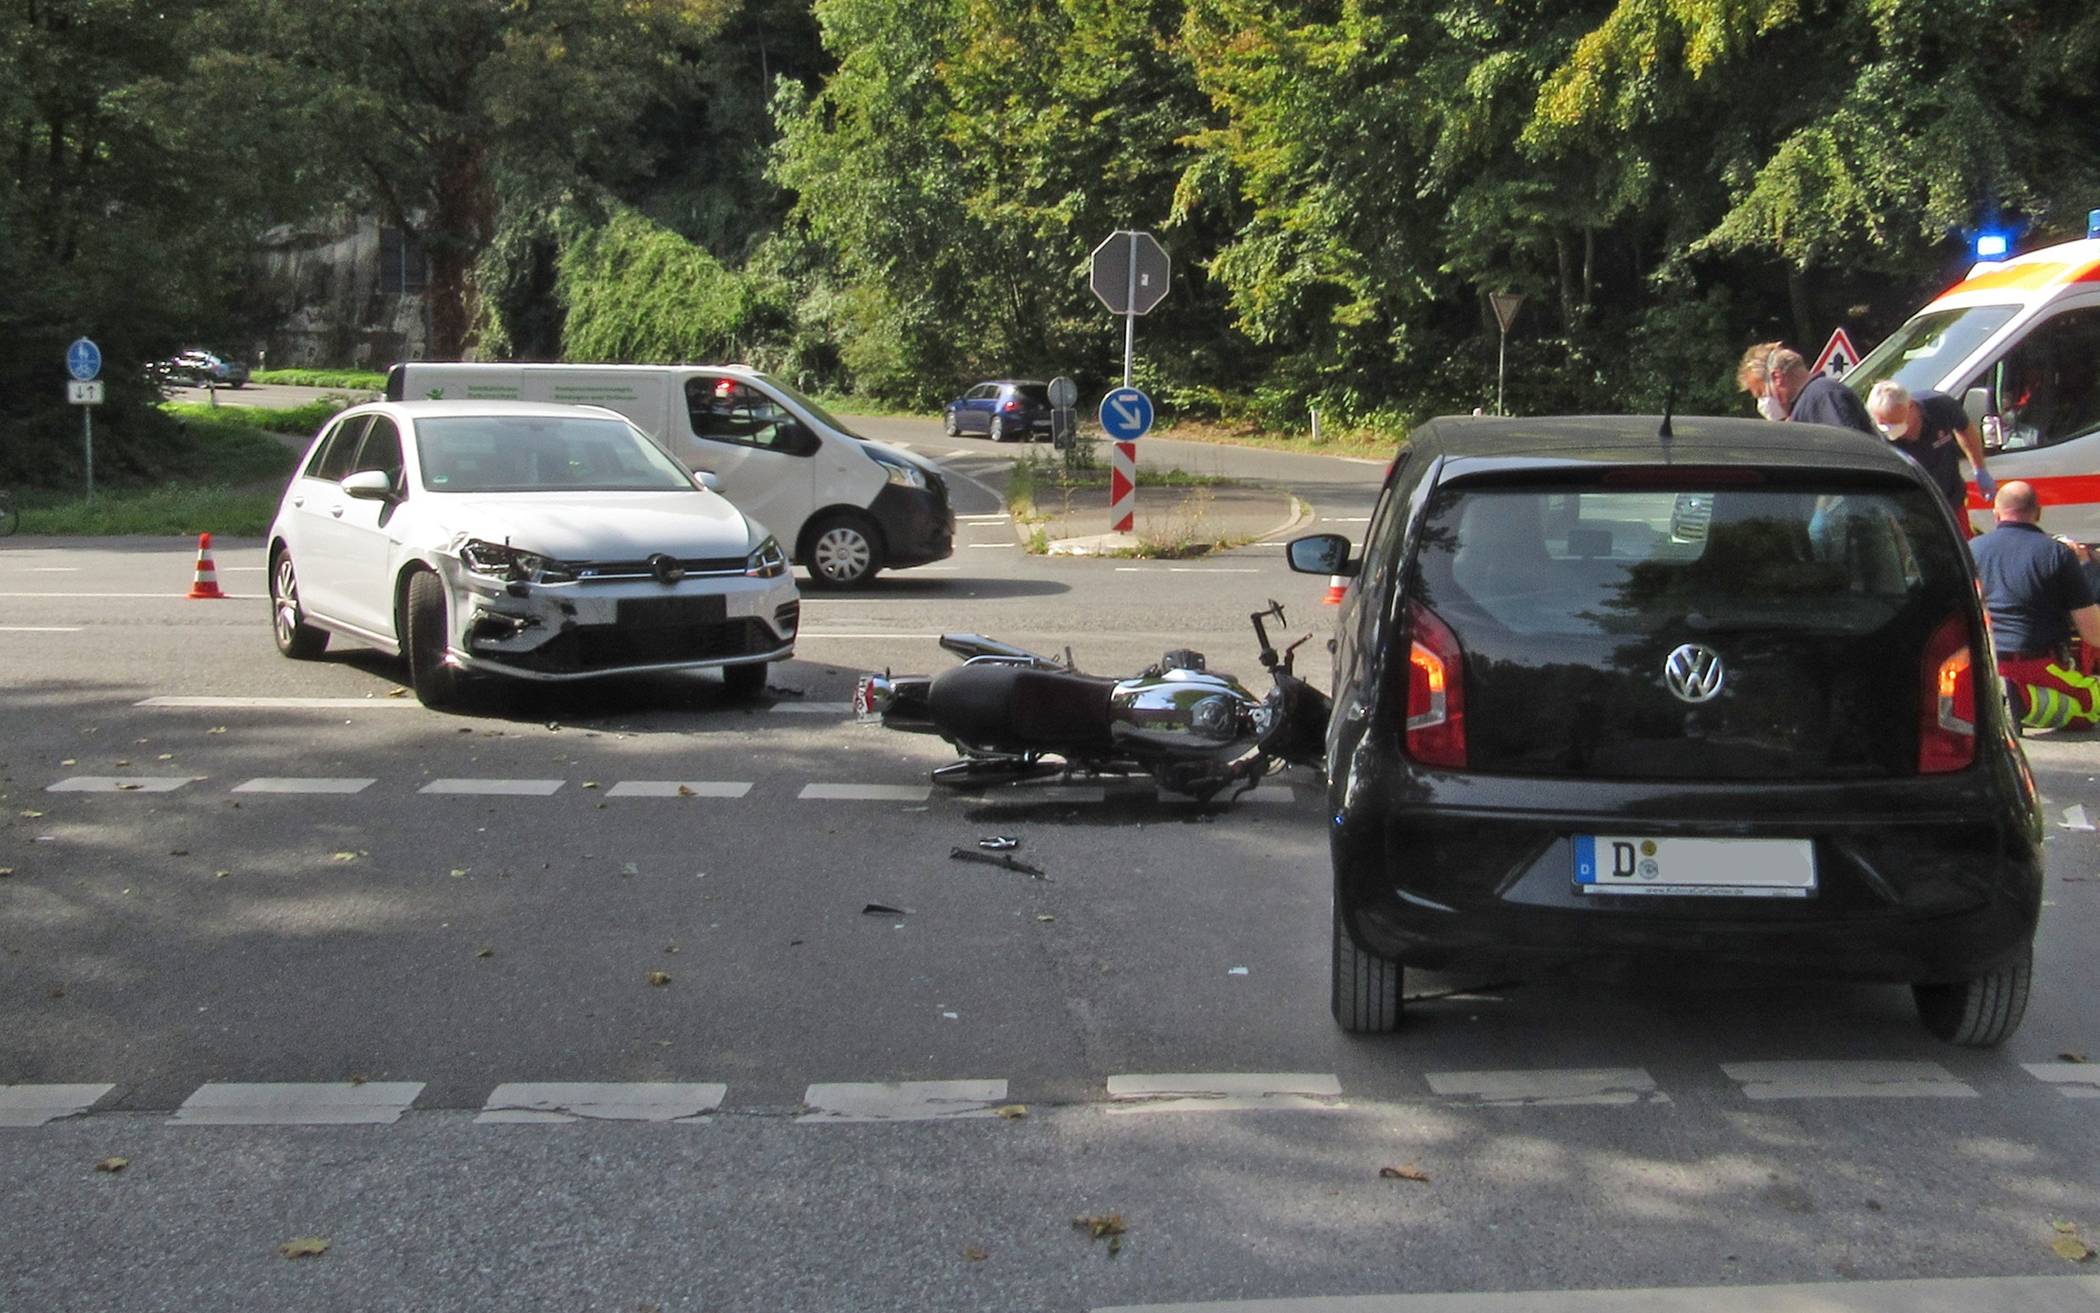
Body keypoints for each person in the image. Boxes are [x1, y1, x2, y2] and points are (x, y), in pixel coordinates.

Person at [1970, 481, 2100, 730]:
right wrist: (2086, 567)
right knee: (2092, 703)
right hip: (2038, 663)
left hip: (1986, 664)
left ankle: (2002, 700)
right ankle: (2024, 701)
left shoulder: (1972, 548)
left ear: (1996, 514)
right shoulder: (2056, 553)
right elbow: (2093, 634)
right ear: (2038, 513)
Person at [1866, 379, 1996, 534]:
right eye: (1883, 424)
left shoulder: (1940, 407)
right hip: (1909, 513)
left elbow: (1965, 429)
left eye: (1894, 423)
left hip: (1951, 501)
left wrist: (1979, 468)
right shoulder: (1872, 432)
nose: (1889, 430)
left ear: (1911, 406)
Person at [1766, 346, 1877, 434]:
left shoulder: (1822, 396)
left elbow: (1848, 448)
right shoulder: (1816, 397)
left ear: (1777, 377)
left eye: (1762, 393)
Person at [1736, 340, 1788, 420]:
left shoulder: (1808, 409)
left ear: (1777, 377)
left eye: (1761, 393)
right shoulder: (1796, 419)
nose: (1762, 404)